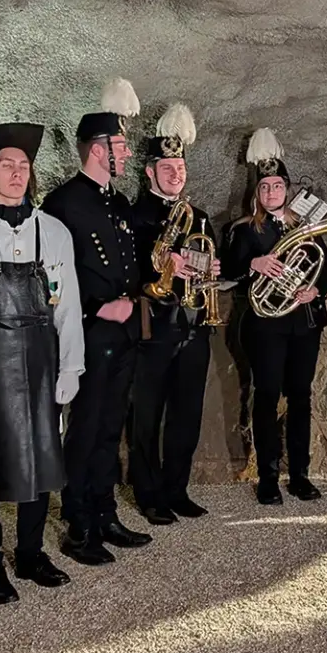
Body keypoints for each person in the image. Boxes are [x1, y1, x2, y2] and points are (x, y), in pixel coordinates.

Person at [0, 122, 83, 601]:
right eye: (6, 165)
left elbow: (67, 305)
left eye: (23, 165)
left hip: (42, 361)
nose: (16, 173)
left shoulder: (53, 231)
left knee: (43, 455)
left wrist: (71, 367)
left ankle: (31, 552)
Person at [41, 79, 154, 564]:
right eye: (120, 146)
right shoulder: (62, 203)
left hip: (123, 332)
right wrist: (94, 306)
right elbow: (49, 274)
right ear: (97, 149)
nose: (126, 154)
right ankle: (78, 522)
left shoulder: (119, 203)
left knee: (110, 427)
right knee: (85, 429)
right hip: (86, 332)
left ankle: (105, 512)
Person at [222, 128, 327, 505]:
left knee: (301, 397)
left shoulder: (306, 226)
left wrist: (315, 290)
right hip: (265, 327)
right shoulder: (243, 230)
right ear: (256, 192)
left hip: (304, 323)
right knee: (267, 396)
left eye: (277, 186)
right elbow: (228, 269)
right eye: (264, 187)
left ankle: (300, 475)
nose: (271, 192)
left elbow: (326, 269)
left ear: (287, 188)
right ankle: (268, 476)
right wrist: (254, 263)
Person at [128, 102, 219, 523]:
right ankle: (148, 494)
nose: (175, 174)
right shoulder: (135, 216)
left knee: (187, 413)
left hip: (194, 327)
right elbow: (127, 272)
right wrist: (162, 267)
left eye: (180, 168)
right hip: (153, 329)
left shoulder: (199, 218)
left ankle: (176, 489)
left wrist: (212, 269)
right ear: (150, 172)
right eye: (167, 168)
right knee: (146, 415)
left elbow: (209, 266)